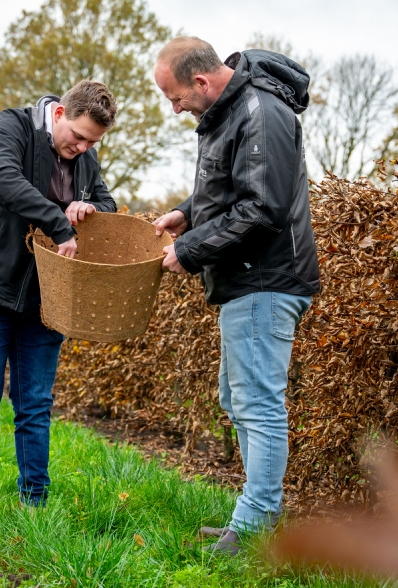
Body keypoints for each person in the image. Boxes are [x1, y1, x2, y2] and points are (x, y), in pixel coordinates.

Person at [152, 37, 320, 554]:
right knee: (238, 399)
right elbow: (228, 188)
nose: (175, 109)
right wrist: (186, 213)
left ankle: (252, 528)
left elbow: (262, 209)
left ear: (201, 81)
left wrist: (189, 249)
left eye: (176, 98)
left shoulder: (259, 112)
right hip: (247, 281)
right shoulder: (230, 111)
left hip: (264, 279)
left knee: (258, 404)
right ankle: (257, 518)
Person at [0, 80, 117, 531]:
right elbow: (1, 178)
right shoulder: (11, 127)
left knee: (35, 404)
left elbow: (106, 201)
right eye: (78, 137)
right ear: (58, 114)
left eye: (92, 142)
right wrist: (59, 221)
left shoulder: (85, 157)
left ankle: (34, 505)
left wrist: (88, 209)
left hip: (45, 296)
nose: (82, 148)